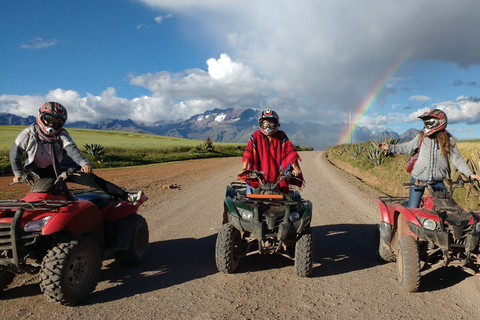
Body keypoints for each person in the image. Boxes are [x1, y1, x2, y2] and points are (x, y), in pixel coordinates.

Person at [9, 102, 143, 204]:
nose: (52, 124)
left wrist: (84, 163)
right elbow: (14, 153)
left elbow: (72, 150)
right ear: (40, 116)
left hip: (66, 168)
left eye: (57, 122)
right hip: (42, 171)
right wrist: (18, 174)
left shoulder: (61, 134)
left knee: (95, 181)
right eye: (49, 119)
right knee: (45, 195)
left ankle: (126, 196)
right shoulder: (27, 134)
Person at [378, 108, 480, 208]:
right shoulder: (421, 137)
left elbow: (457, 159)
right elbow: (407, 148)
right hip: (418, 179)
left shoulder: (449, 140)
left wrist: (470, 174)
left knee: (444, 209)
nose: (426, 125)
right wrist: (390, 147)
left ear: (440, 122)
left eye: (429, 121)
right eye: (425, 122)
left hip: (438, 181)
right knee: (413, 209)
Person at [240, 109, 304, 194]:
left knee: (286, 200)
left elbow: (290, 152)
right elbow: (248, 153)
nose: (268, 126)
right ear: (261, 124)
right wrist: (244, 169)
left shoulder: (281, 136)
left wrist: (296, 169)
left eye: (271, 123)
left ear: (276, 123)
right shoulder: (255, 136)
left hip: (277, 177)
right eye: (265, 123)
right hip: (258, 176)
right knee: (250, 198)